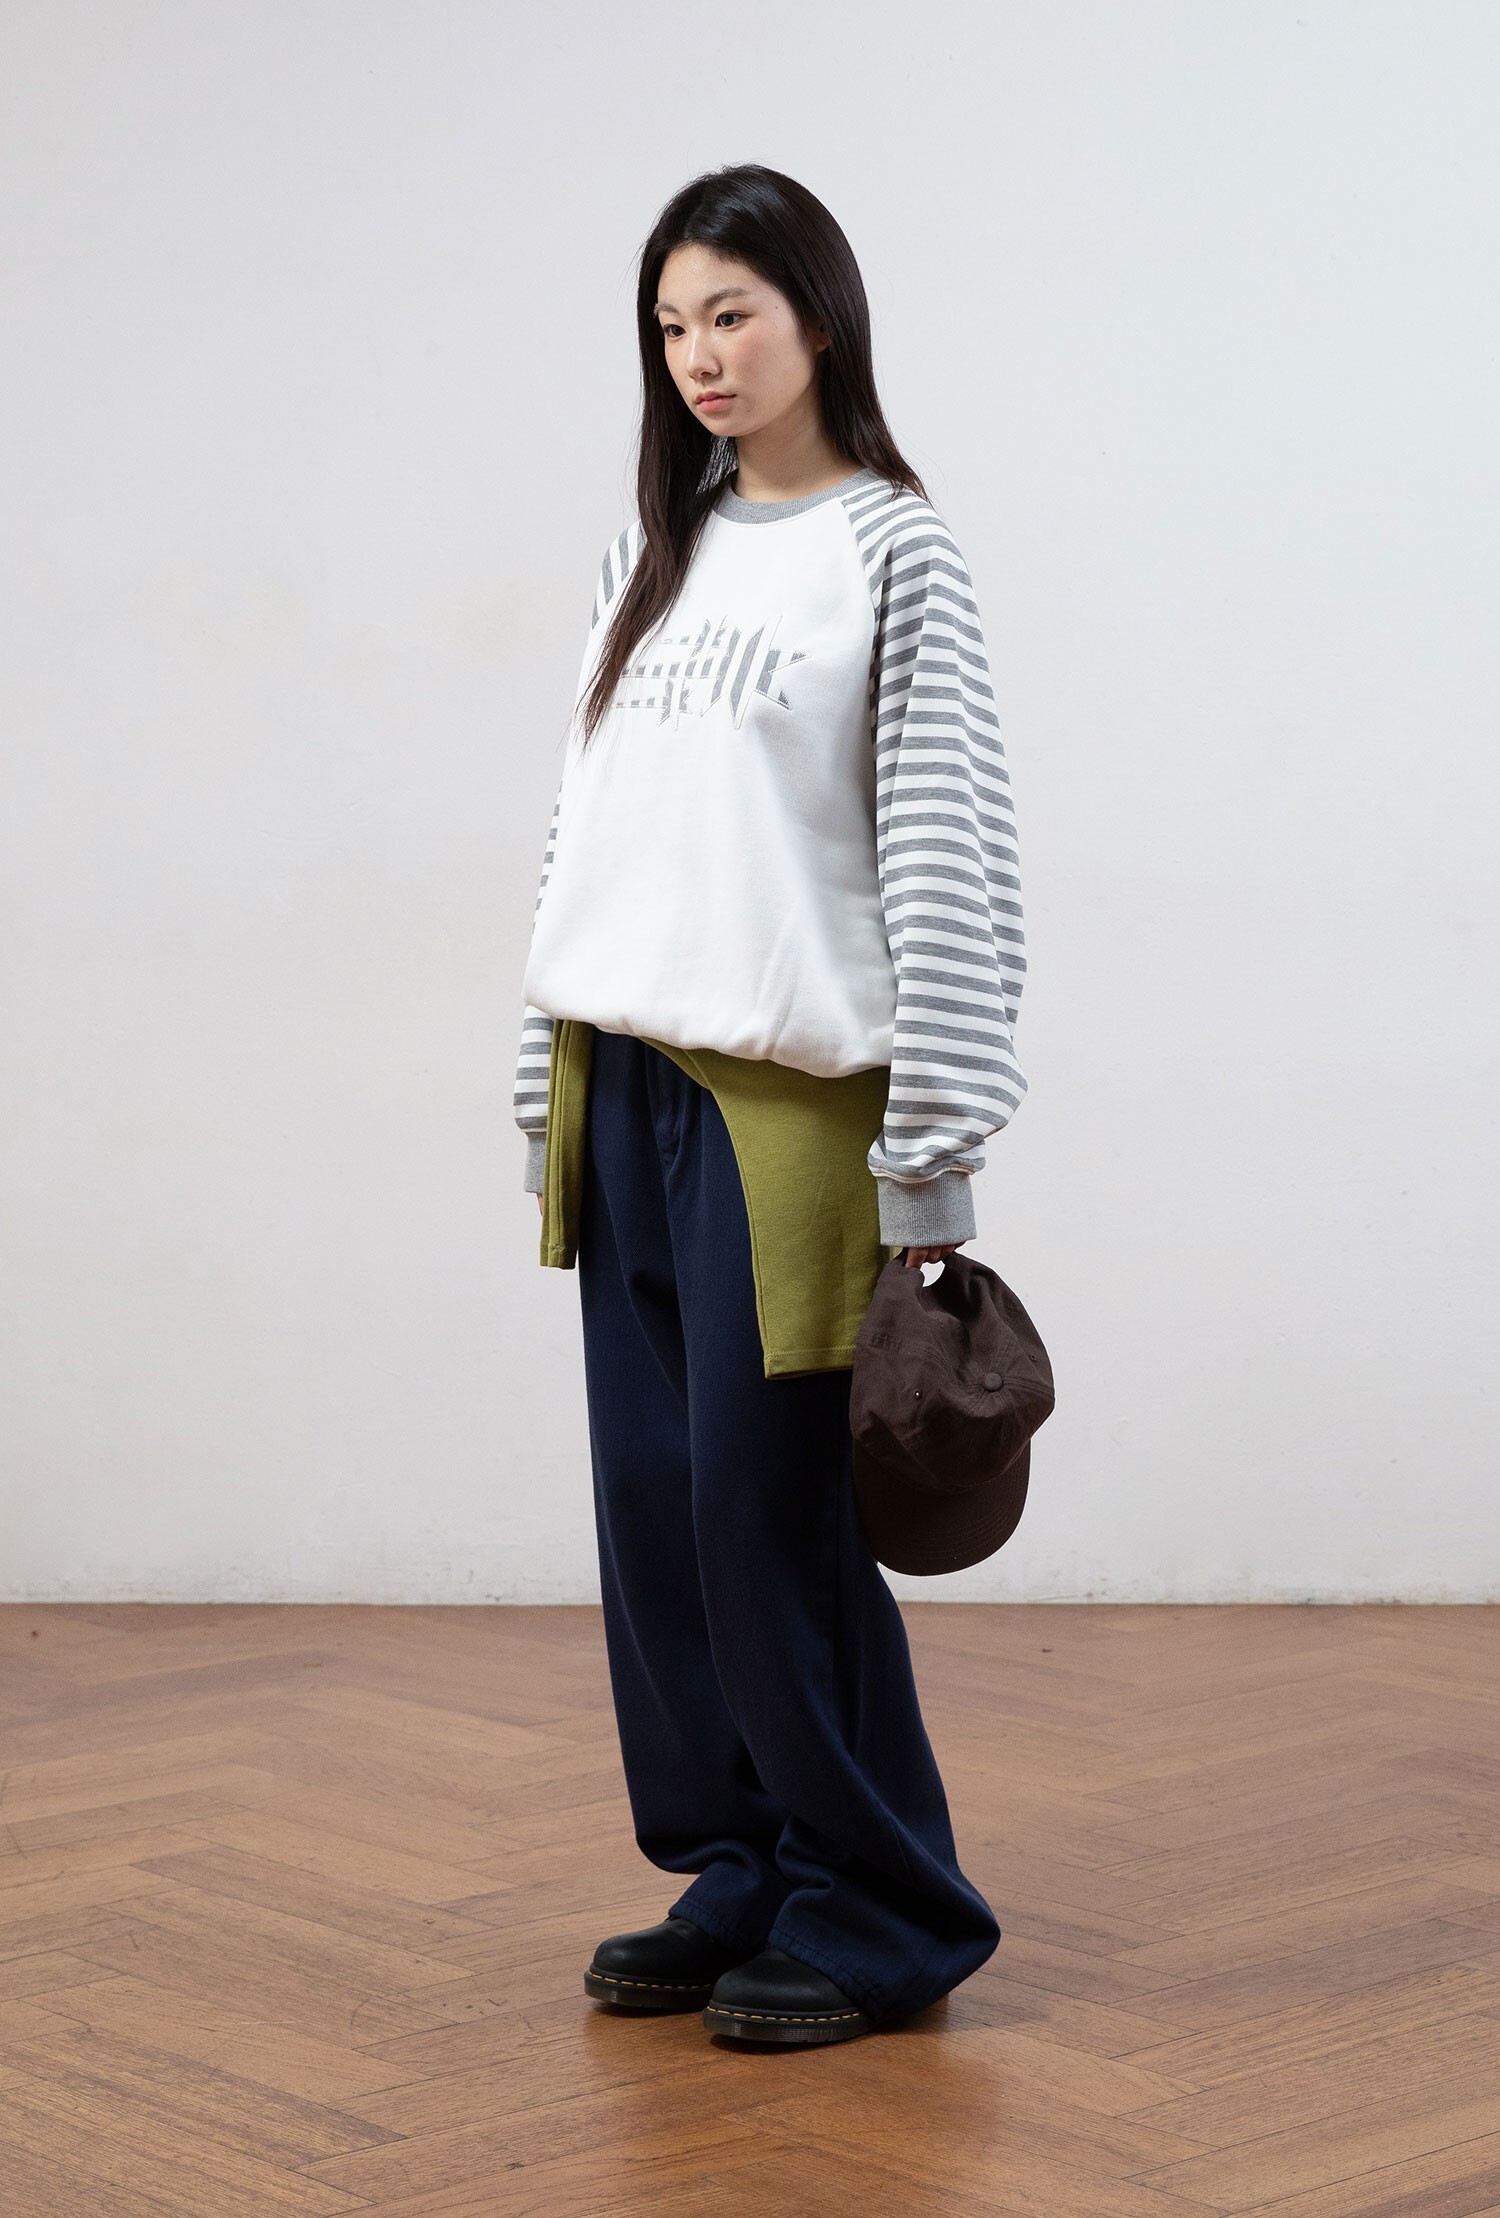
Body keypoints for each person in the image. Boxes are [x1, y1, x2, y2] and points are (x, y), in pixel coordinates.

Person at [511, 163, 1028, 2047]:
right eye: (671, 324)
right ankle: (738, 1863)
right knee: (657, 1513)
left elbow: (950, 857)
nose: (701, 355)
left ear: (820, 313)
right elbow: (587, 828)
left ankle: (880, 1901)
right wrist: (543, 1072)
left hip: (789, 1112)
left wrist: (935, 1158)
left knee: (767, 1511)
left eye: (731, 311)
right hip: (623, 1079)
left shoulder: (895, 550)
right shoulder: (657, 548)